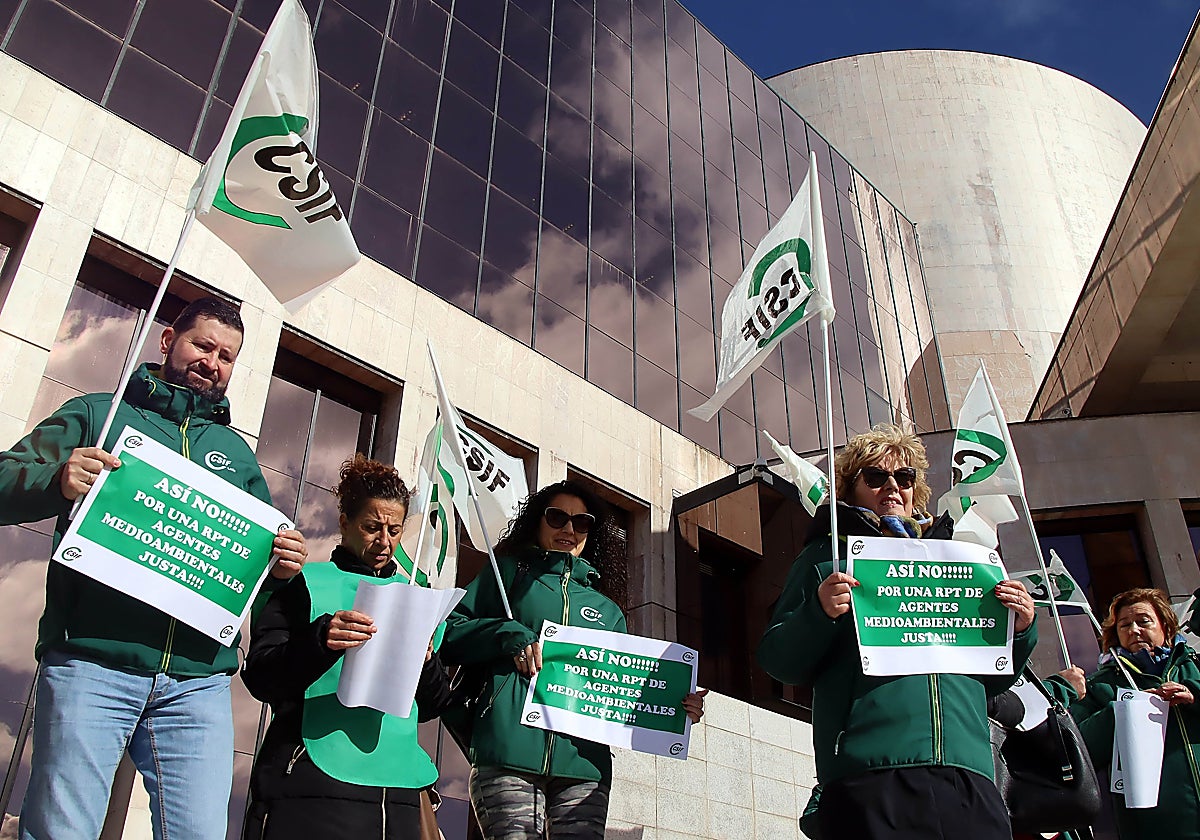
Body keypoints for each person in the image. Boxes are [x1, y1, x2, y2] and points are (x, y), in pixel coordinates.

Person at [0, 297, 308, 840]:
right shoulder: (100, 412)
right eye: (203, 345)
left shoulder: (235, 454)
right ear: (168, 341)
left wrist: (279, 570)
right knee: (61, 831)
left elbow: (248, 579)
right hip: (91, 661)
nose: (214, 362)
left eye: (228, 356)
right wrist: (56, 478)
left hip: (198, 682)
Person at [757, 423, 1038, 840]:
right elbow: (778, 660)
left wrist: (1021, 629)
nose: (892, 486)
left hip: (970, 775)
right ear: (850, 489)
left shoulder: (963, 557)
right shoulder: (826, 557)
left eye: (903, 477)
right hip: (871, 772)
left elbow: (995, 677)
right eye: (875, 476)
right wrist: (818, 612)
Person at [440, 480, 707, 840]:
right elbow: (449, 632)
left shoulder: (608, 611)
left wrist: (677, 706)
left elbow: (627, 688)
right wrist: (507, 634)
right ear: (537, 522)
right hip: (507, 750)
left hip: (584, 767)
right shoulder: (506, 576)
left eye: (581, 522)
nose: (569, 528)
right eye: (557, 517)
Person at [241, 455, 451, 839]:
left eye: (395, 530)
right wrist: (321, 640)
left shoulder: (417, 602)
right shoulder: (301, 583)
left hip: (400, 789)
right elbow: (261, 676)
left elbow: (432, 706)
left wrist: (427, 661)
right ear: (344, 523)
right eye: (372, 527)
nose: (384, 542)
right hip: (315, 779)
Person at [1068, 587, 1200, 839]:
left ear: (1166, 626)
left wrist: (1195, 697)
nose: (1134, 630)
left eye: (1144, 621)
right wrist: (1120, 712)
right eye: (1124, 625)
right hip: (1156, 828)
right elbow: (1079, 749)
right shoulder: (1100, 686)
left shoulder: (1195, 668)